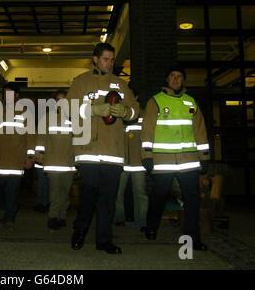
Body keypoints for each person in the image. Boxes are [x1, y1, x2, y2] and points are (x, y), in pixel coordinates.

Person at [67, 43, 139, 254]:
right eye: (106, 59)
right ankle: (80, 230)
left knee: (108, 198)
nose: (110, 63)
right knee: (89, 193)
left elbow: (136, 110)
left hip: (113, 152)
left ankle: (104, 240)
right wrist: (93, 109)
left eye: (112, 59)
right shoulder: (81, 82)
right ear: (95, 59)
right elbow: (68, 109)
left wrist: (125, 111)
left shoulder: (120, 84)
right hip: (87, 150)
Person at [141, 65, 210, 251]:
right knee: (159, 198)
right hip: (163, 162)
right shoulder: (155, 101)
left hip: (188, 162)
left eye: (179, 76)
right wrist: (147, 156)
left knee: (192, 201)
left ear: (183, 80)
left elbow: (200, 131)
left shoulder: (191, 102)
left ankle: (193, 238)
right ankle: (151, 226)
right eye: (172, 75)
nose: (176, 79)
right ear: (167, 79)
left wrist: (204, 157)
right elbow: (147, 130)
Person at [0, 82, 35, 232]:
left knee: (12, 193)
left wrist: (30, 158)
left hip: (16, 161)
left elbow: (31, 137)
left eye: (10, 93)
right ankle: (4, 207)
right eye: (5, 93)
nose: (7, 95)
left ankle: (9, 218)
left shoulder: (25, 114)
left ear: (17, 95)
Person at [36, 89, 76, 230]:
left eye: (63, 100)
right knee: (54, 192)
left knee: (65, 193)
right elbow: (41, 137)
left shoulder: (75, 118)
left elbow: (80, 140)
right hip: (53, 161)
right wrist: (40, 155)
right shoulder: (47, 117)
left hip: (69, 162)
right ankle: (53, 217)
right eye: (58, 100)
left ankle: (62, 216)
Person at [114, 90, 148, 231]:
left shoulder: (145, 115)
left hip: (138, 163)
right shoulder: (117, 115)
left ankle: (142, 222)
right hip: (121, 161)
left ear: (136, 96)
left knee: (140, 194)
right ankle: (119, 218)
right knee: (117, 192)